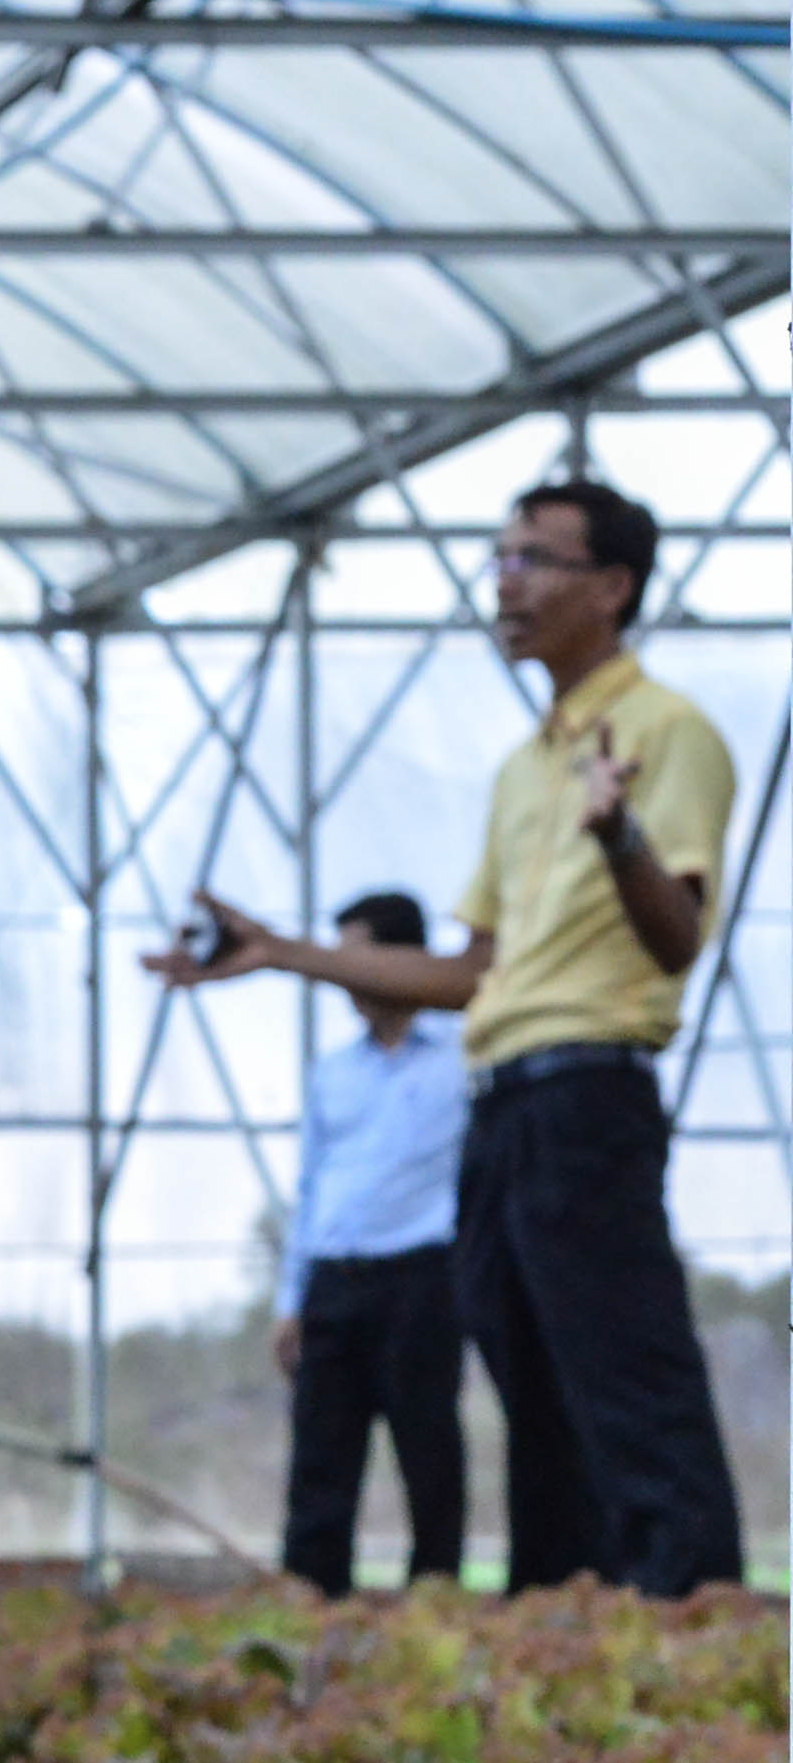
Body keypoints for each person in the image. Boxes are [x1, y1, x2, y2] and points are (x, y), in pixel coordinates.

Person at [155, 478, 737, 1597]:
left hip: (587, 1099)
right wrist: (281, 951)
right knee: (535, 1398)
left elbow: (676, 938)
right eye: (499, 558)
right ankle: (565, 1626)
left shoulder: (669, 734)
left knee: (629, 1384)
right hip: (502, 1110)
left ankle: (697, 1624)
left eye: (535, 560)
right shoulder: (524, 770)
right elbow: (471, 974)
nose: (506, 583)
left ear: (612, 587)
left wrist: (619, 833)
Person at [259, 891, 473, 1594]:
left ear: (402, 960)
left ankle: (434, 1600)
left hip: (423, 1279)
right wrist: (293, 1300)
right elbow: (311, 1186)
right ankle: (309, 1602)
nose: (342, 975)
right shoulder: (332, 1073)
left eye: (354, 958)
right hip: (335, 1281)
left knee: (428, 1450)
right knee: (320, 1457)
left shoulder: (461, 1061)